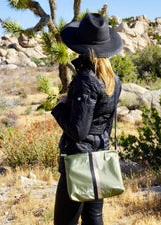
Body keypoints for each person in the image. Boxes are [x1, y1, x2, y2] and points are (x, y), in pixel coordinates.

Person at [51, 12, 123, 225]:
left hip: (79, 162)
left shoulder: (85, 79)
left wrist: (61, 108)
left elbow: (78, 131)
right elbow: (105, 124)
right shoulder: (112, 79)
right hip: (99, 158)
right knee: (93, 218)